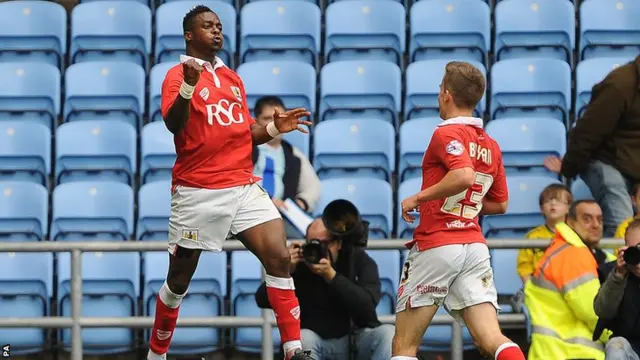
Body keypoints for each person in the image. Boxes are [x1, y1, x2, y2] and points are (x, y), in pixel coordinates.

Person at [147, 6, 313, 360]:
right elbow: (174, 123)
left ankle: (293, 349)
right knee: (179, 280)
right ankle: (156, 354)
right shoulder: (177, 75)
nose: (217, 31)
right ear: (190, 35)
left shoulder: (233, 78)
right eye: (208, 26)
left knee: (280, 256)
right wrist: (190, 87)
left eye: (219, 26)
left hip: (242, 185)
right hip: (198, 190)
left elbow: (242, 133)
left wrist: (272, 128)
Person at [392, 61, 525, 360]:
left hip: (437, 244)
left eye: (440, 89)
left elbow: (463, 175)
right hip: (474, 246)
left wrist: (418, 198)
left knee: (404, 346)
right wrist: (467, 207)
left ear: (447, 95)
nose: (439, 94)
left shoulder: (445, 135)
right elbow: (501, 204)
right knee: (493, 339)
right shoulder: (490, 144)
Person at [255, 218, 395, 360]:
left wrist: (332, 277)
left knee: (388, 334)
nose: (319, 249)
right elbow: (261, 300)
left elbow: (368, 305)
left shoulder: (356, 260)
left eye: (325, 243)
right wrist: (284, 270)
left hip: (354, 340)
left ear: (338, 243)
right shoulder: (298, 265)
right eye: (313, 243)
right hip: (312, 342)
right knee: (302, 340)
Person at [544, 56, 640, 237]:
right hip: (605, 159)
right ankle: (615, 263)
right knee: (622, 222)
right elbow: (587, 132)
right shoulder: (619, 85)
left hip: (632, 163)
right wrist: (568, 169)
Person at [524, 200, 612, 360]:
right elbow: (595, 314)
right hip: (569, 353)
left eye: (600, 219)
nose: (595, 225)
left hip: (558, 353)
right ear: (570, 222)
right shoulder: (573, 255)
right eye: (587, 219)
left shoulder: (585, 252)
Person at [251, 96, 321, 213]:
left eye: (280, 118)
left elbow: (313, 188)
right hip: (250, 211)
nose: (275, 123)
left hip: (283, 215)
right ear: (256, 121)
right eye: (267, 118)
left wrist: (298, 205)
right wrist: (269, 200)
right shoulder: (245, 148)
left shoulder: (294, 154)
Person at [594, 218, 640, 360]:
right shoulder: (613, 272)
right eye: (635, 250)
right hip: (630, 348)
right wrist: (618, 276)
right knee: (616, 345)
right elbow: (602, 311)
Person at [517, 184, 572, 284]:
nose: (553, 204)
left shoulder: (576, 235)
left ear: (568, 207)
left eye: (558, 200)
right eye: (548, 201)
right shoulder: (532, 237)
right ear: (541, 208)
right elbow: (524, 269)